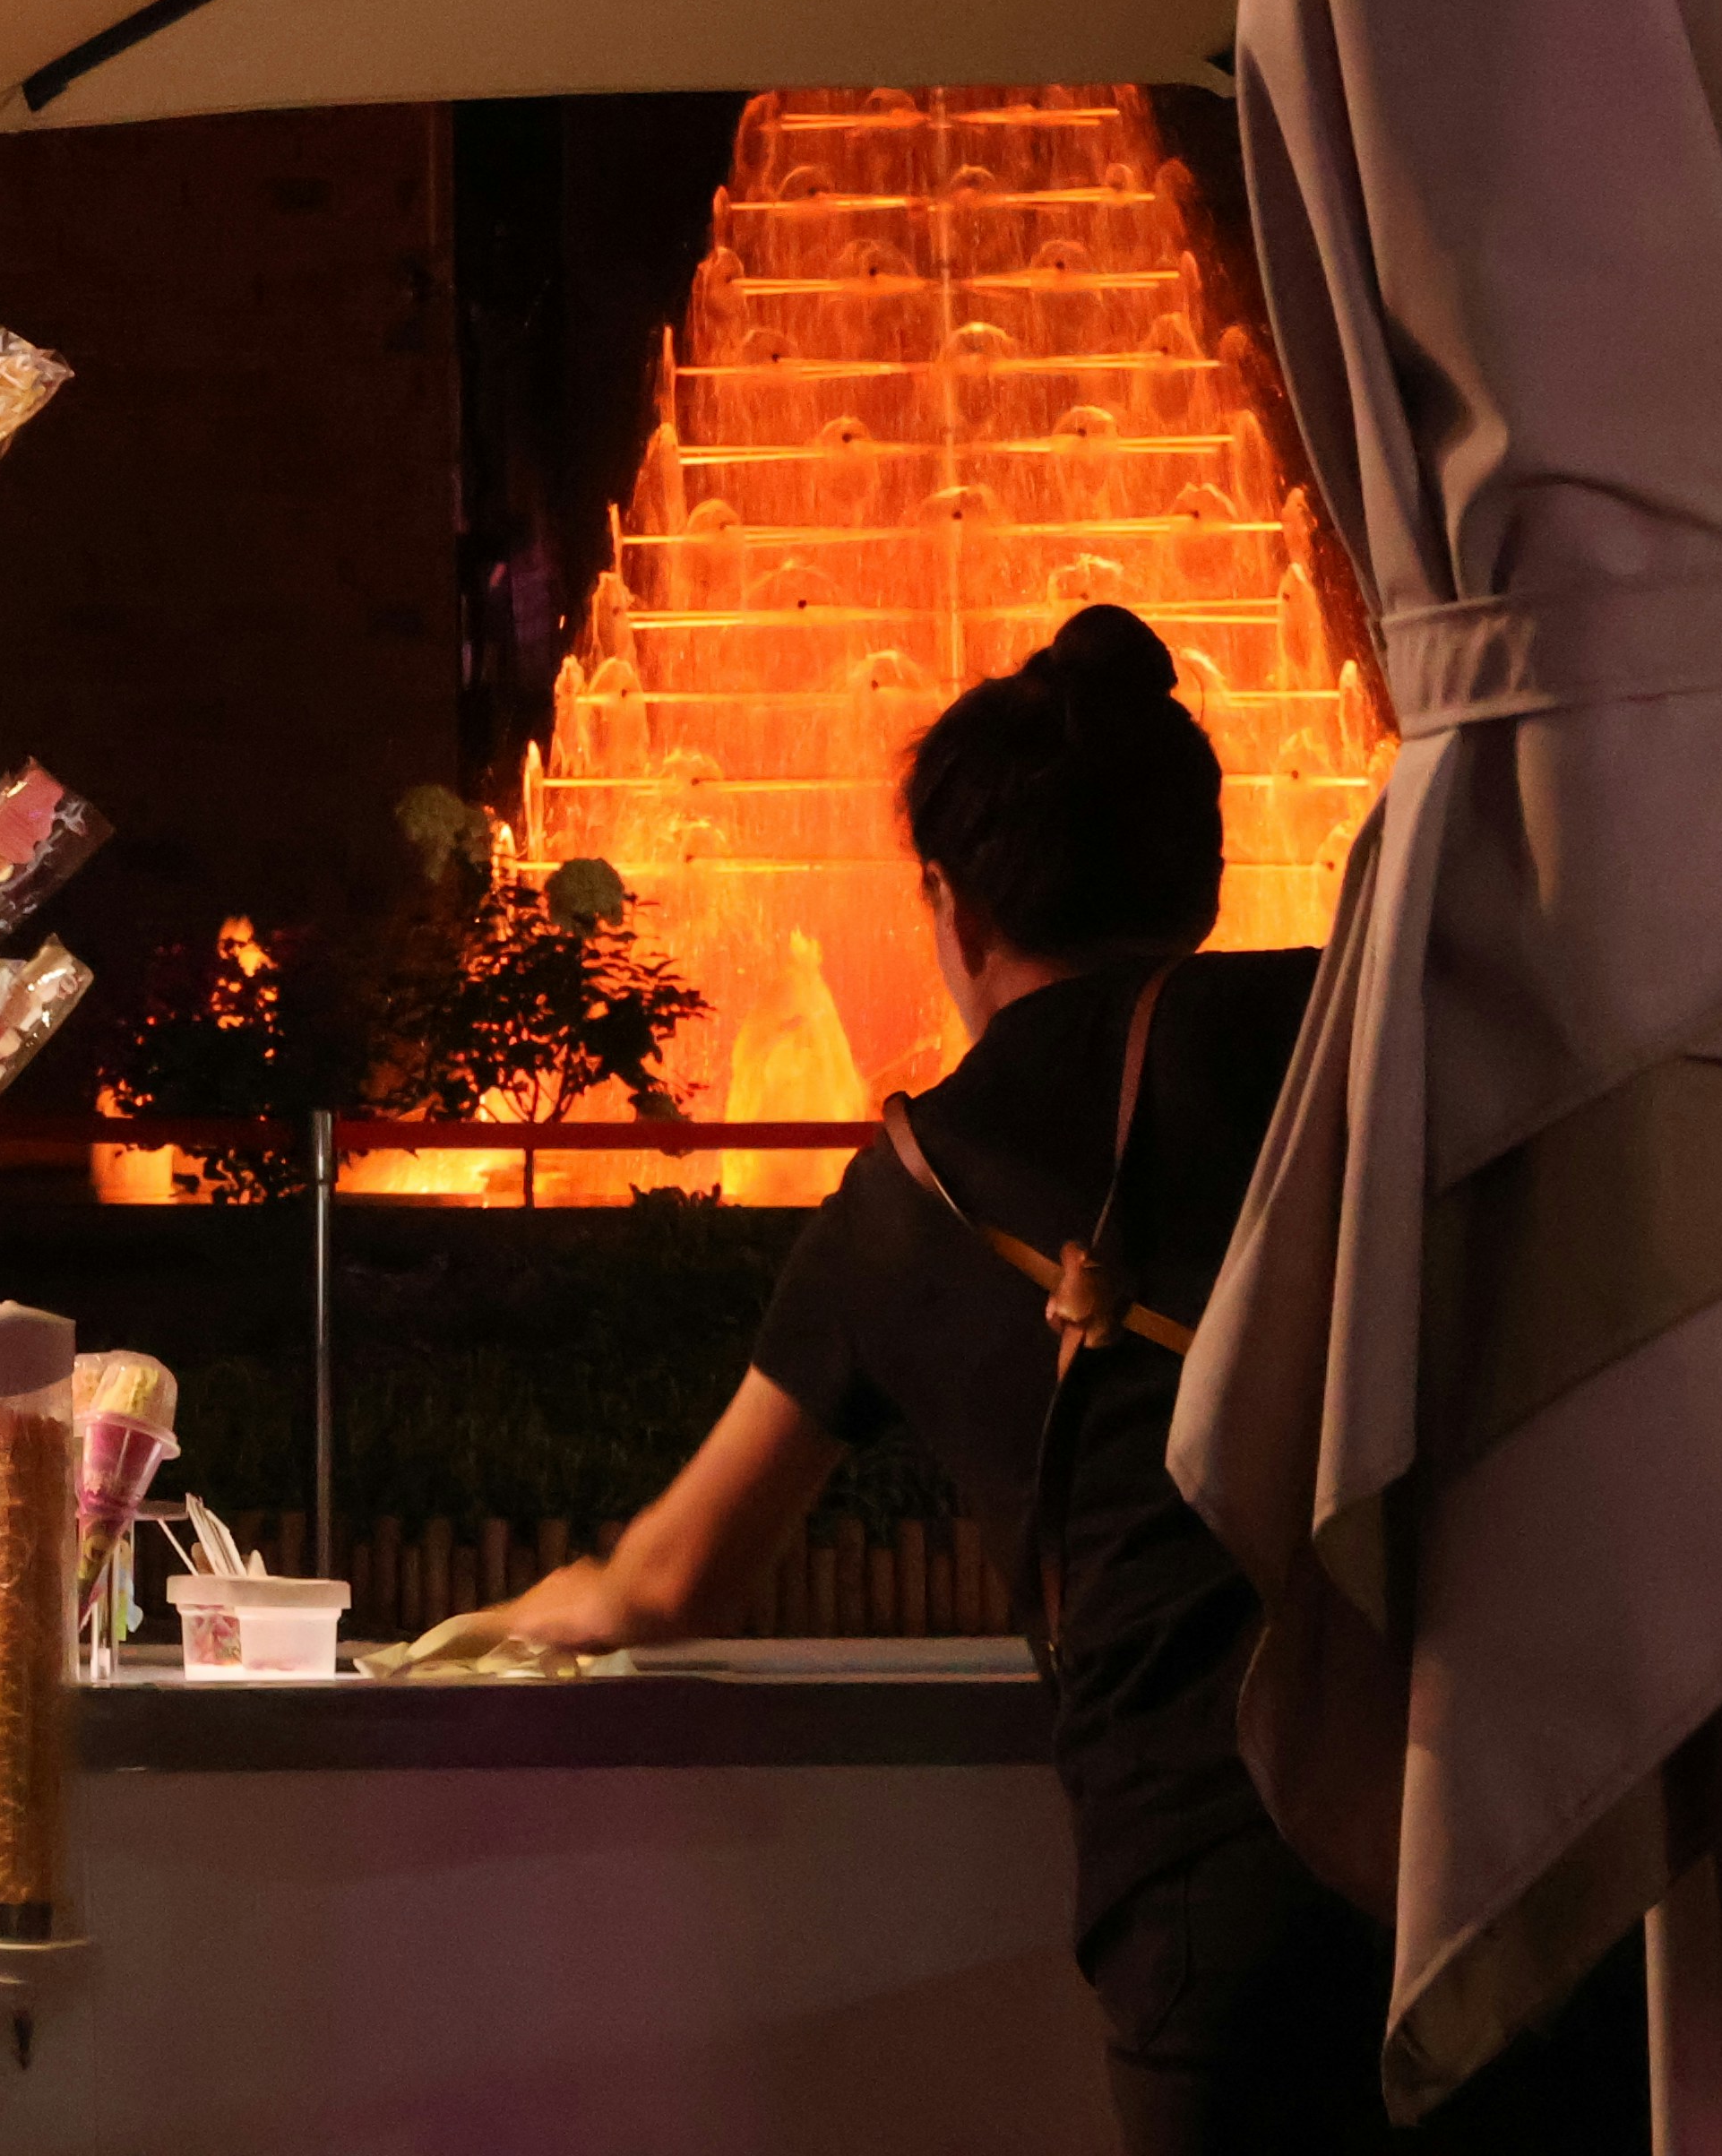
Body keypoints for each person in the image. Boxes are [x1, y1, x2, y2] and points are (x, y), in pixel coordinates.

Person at [480, 603, 1643, 2151]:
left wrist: (514, 1615)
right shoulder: (1353, 1034)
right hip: (1533, 1848)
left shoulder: (908, 1197)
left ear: (950, 907)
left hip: (1212, 1903)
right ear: (1210, 878)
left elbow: (672, 1579)